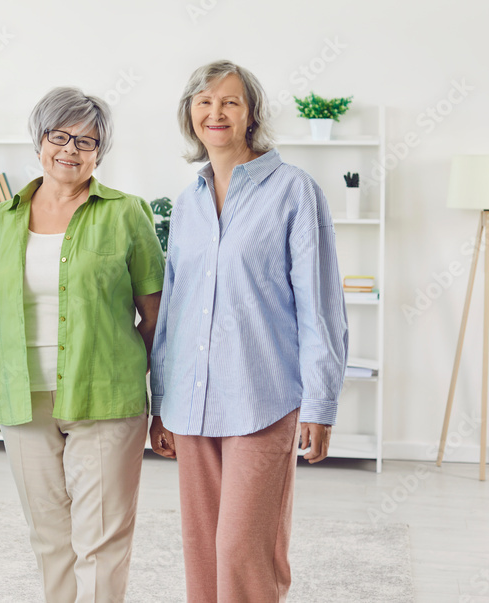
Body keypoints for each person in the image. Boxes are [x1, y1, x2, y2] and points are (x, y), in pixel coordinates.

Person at [149, 60, 349, 603]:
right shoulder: (187, 201)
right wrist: (160, 403)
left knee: (245, 553)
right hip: (191, 404)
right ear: (190, 114)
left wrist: (321, 403)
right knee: (203, 553)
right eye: (204, 102)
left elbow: (321, 303)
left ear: (251, 114)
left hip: (264, 396)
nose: (216, 113)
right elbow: (175, 309)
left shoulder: (293, 192)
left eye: (230, 102)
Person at [0, 87, 165, 603]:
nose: (71, 149)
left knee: (101, 543)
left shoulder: (127, 213)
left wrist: (139, 378)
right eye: (59, 136)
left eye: (87, 140)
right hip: (24, 400)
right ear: (38, 140)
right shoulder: (1, 219)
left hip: (105, 396)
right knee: (50, 539)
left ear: (100, 152)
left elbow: (155, 316)